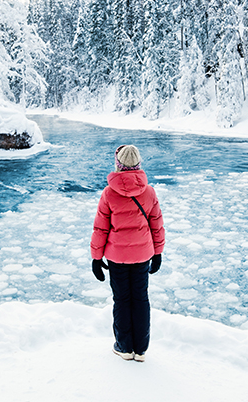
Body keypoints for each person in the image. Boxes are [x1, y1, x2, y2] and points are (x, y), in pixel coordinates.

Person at [90, 144, 165, 362]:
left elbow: (100, 228)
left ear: (118, 165)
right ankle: (140, 350)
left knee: (122, 300)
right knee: (140, 299)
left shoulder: (108, 193)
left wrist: (96, 258)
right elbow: (157, 225)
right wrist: (158, 252)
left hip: (117, 258)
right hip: (143, 255)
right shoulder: (149, 192)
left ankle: (124, 347)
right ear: (138, 165)